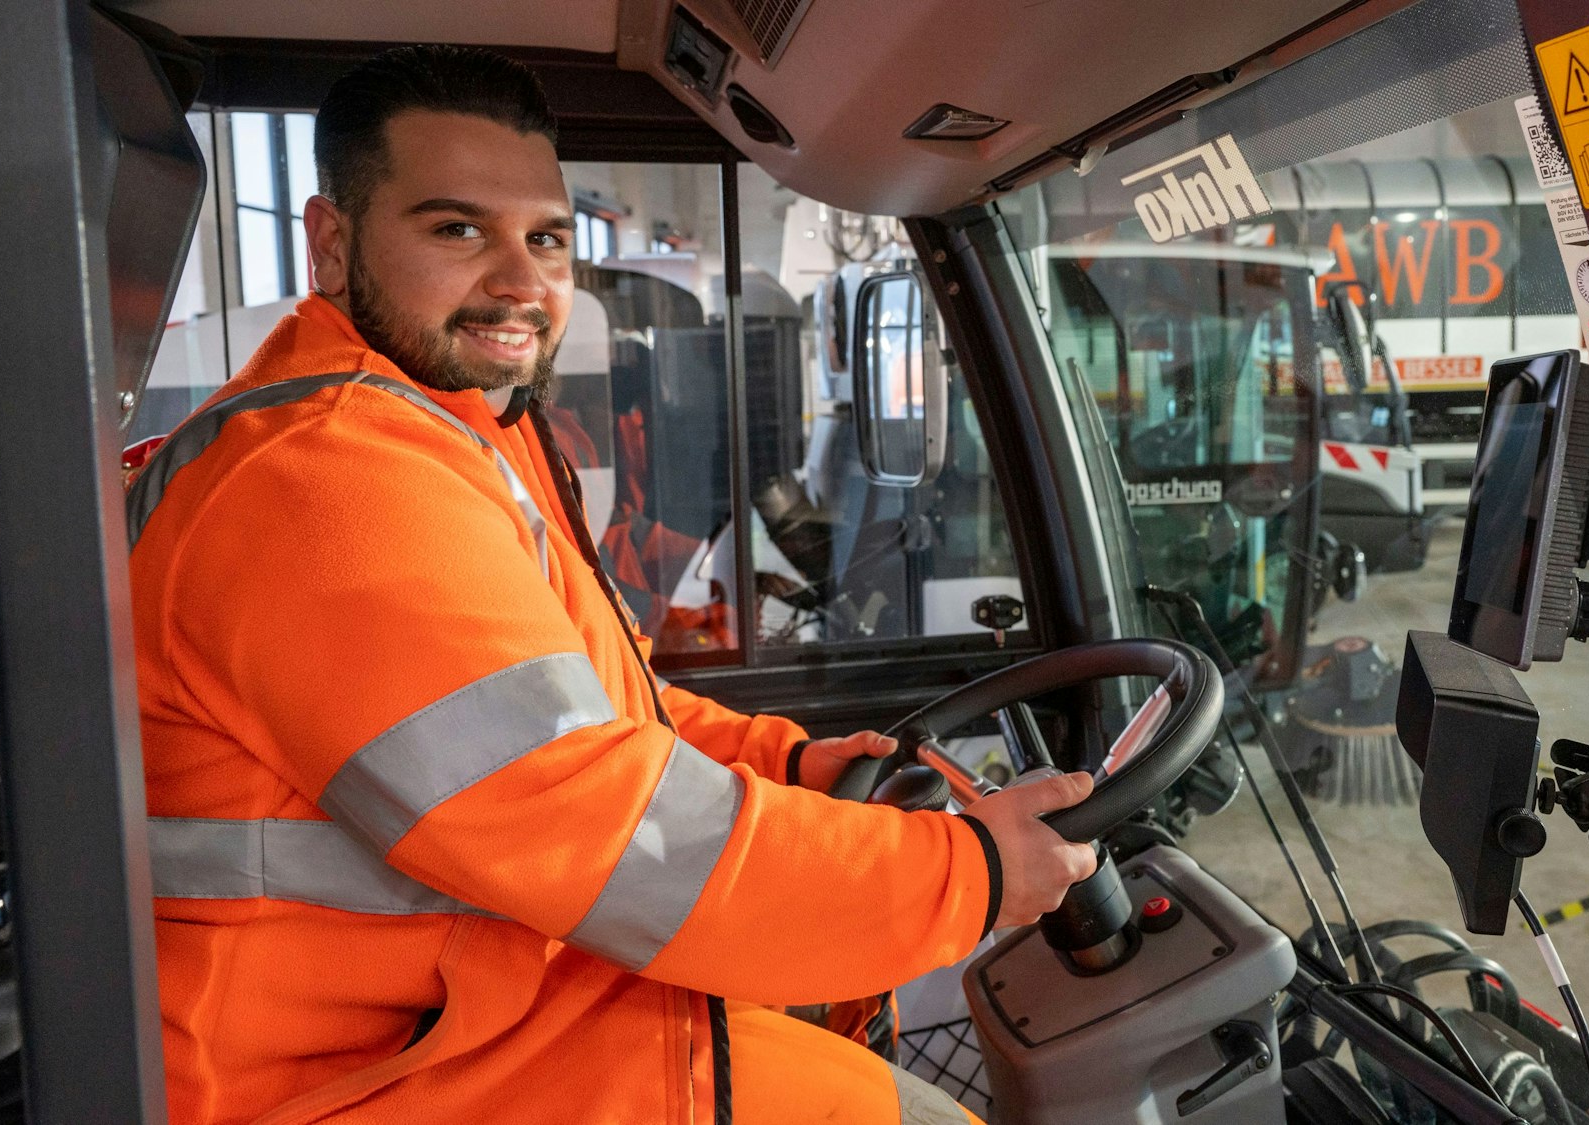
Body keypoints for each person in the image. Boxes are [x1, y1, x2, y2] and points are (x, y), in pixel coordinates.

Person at [130, 45, 1099, 1124]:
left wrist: (787, 761)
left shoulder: (453, 430)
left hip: (476, 1019)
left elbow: (592, 713)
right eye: (457, 230)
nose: (521, 282)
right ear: (330, 243)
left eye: (546, 239)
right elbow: (592, 818)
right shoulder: (326, 474)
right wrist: (968, 876)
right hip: (346, 1083)